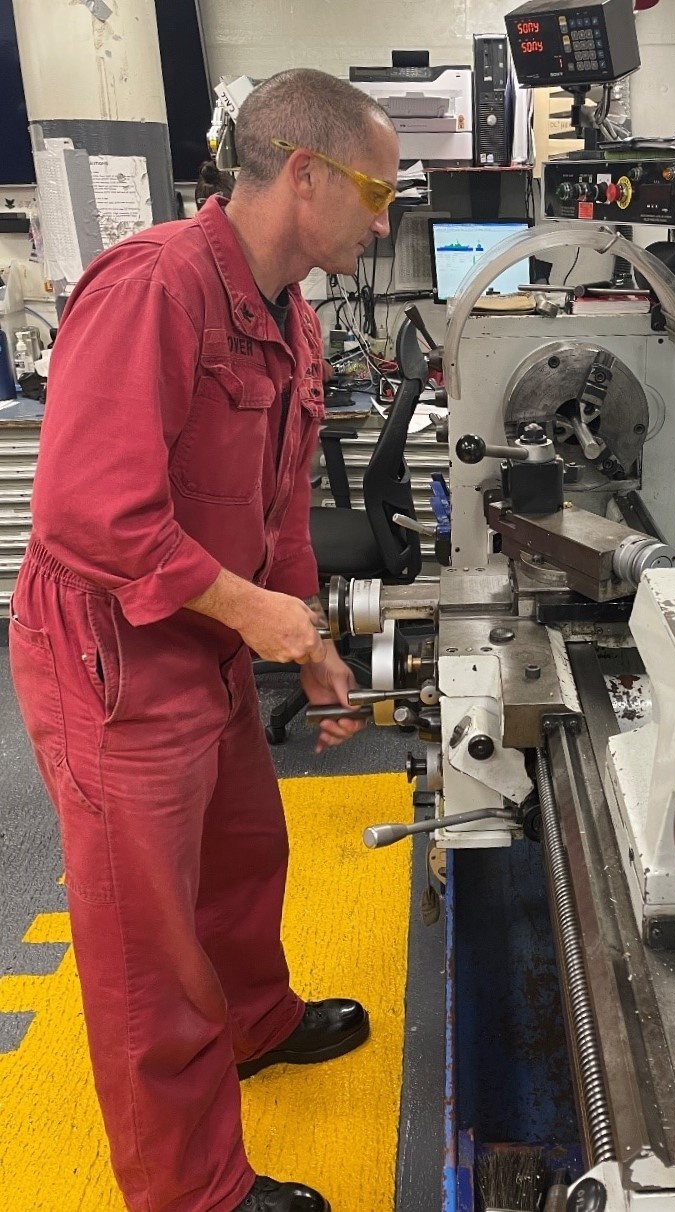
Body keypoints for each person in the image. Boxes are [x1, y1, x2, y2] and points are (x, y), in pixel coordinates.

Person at [9, 69, 400, 1212]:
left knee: (240, 852)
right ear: (306, 177)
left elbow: (276, 507)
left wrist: (308, 641)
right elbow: (88, 516)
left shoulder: (293, 316)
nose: (384, 222)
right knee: (148, 948)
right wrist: (249, 611)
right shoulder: (156, 290)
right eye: (376, 192)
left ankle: (253, 1024)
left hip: (210, 635)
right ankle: (190, 1192)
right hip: (114, 656)